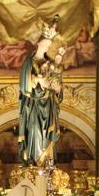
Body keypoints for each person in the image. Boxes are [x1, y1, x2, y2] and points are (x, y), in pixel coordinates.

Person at [18, 18, 64, 166]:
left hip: (49, 106)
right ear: (38, 43)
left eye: (49, 46)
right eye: (45, 44)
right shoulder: (29, 63)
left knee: (47, 136)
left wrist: (57, 90)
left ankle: (47, 166)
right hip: (34, 108)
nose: (46, 48)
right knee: (35, 132)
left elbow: (56, 83)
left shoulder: (49, 64)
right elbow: (24, 85)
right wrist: (36, 80)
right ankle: (34, 164)